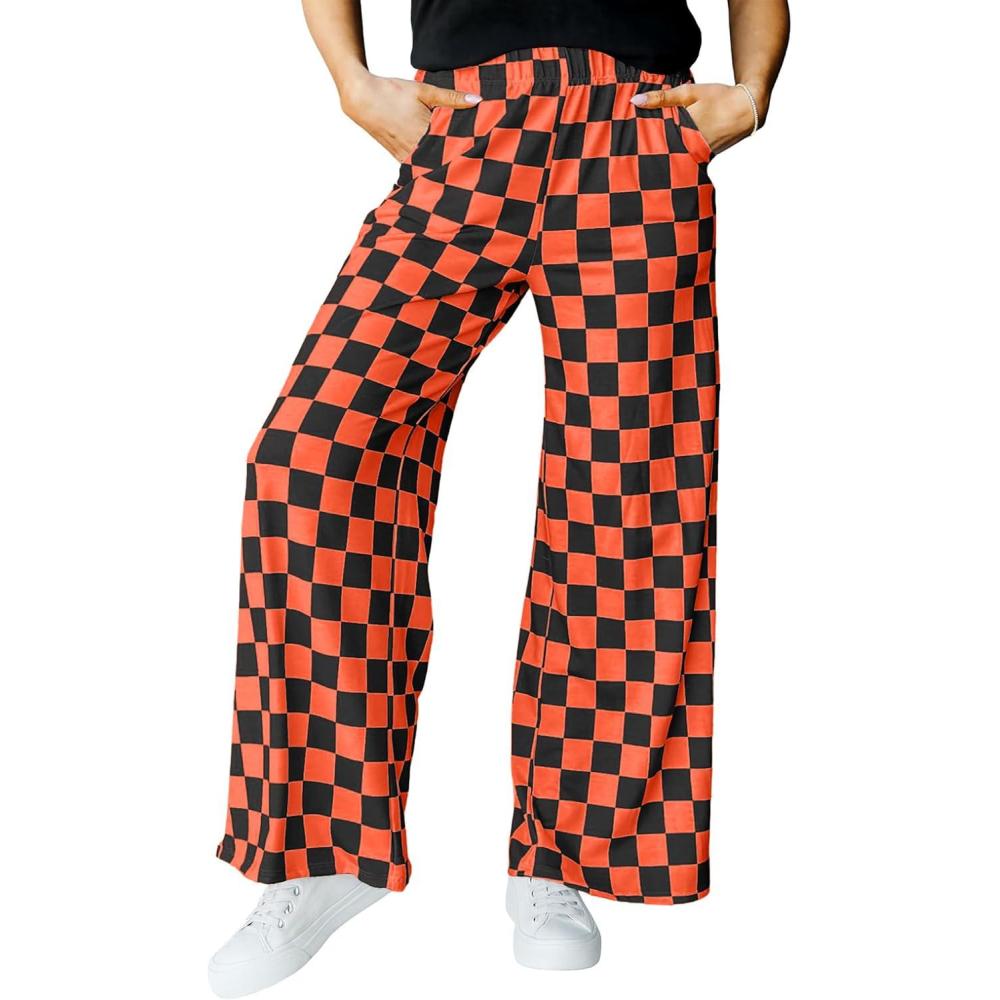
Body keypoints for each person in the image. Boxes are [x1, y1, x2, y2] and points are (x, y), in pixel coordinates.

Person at [208, 0, 789, 992]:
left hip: (635, 132)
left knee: (628, 493)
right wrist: (352, 82)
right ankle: (325, 847)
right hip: (466, 127)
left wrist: (754, 91)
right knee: (309, 456)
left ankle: (567, 851)